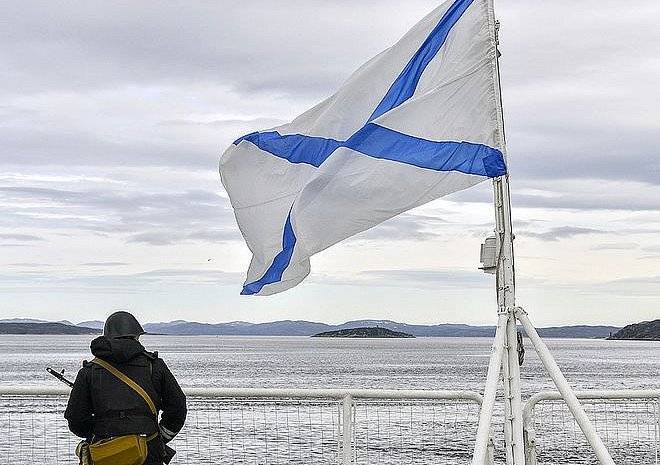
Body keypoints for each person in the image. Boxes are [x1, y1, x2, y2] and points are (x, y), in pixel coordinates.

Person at [65, 311, 187, 465]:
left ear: (107, 336)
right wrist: (161, 437)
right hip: (149, 451)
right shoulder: (155, 365)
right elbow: (178, 408)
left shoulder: (88, 371)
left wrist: (100, 433)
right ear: (136, 336)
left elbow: (76, 419)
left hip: (105, 453)